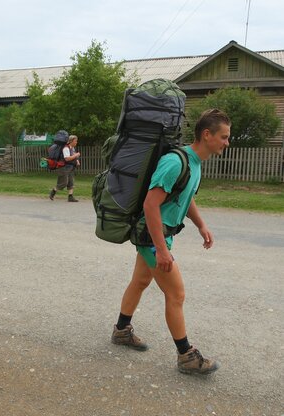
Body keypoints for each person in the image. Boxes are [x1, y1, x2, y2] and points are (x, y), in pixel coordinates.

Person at [111, 109, 231, 375]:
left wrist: (201, 225)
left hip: (158, 236)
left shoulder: (194, 164)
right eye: (224, 137)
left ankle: (121, 330)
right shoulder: (175, 162)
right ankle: (186, 356)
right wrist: (162, 250)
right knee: (176, 294)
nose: (227, 142)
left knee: (140, 281)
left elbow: (184, 196)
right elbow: (150, 205)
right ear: (207, 134)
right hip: (152, 238)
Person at [49, 134, 81, 202]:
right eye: (75, 141)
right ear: (71, 141)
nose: (76, 142)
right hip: (63, 168)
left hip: (71, 167)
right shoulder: (66, 148)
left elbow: (73, 156)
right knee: (63, 183)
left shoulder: (72, 148)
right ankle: (53, 191)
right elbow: (67, 159)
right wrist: (76, 155)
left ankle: (70, 197)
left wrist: (77, 161)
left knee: (71, 182)